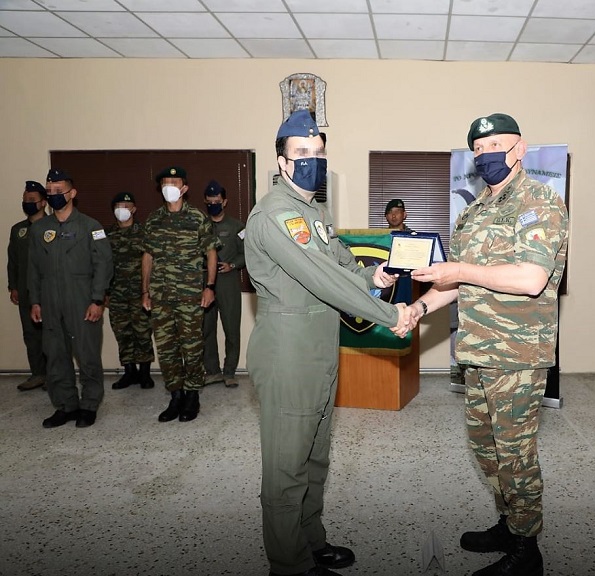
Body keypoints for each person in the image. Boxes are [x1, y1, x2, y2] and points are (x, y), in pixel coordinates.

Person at [245, 109, 411, 576]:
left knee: (314, 458)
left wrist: (373, 277)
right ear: (282, 162)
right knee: (286, 468)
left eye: (318, 152)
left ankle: (311, 542)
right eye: (301, 153)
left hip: (318, 348)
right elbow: (322, 277)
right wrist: (390, 315)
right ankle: (289, 565)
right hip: (288, 351)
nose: (311, 160)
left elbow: (341, 263)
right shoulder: (275, 214)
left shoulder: (314, 211)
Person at [408, 113, 569, 576]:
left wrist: (459, 271)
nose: (485, 154)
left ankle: (526, 551)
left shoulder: (539, 202)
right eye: (478, 149)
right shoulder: (474, 210)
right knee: (487, 449)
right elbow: (456, 282)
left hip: (517, 355)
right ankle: (508, 525)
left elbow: (531, 278)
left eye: (496, 144)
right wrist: (418, 309)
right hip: (478, 351)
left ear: (520, 149)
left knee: (516, 455)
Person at [28, 169, 114, 428]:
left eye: (59, 191)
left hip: (82, 301)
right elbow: (33, 268)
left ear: (72, 193)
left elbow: (103, 265)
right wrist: (35, 301)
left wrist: (97, 300)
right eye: (49, 191)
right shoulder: (39, 229)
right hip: (50, 302)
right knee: (55, 356)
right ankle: (66, 405)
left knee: (87, 355)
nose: (53, 195)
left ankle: (89, 405)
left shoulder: (91, 227)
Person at [142, 166, 219, 423]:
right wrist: (145, 291)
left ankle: (192, 395)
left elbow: (211, 252)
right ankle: (175, 395)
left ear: (184, 188)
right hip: (161, 296)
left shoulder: (197, 218)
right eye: (165, 183)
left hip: (190, 295)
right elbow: (148, 256)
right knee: (166, 348)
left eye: (174, 183)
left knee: (192, 346)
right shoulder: (154, 219)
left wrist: (210, 287)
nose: (169, 188)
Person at [106, 192, 155, 390]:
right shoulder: (106, 234)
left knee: (143, 332)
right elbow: (100, 264)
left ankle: (145, 373)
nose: (122, 210)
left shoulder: (144, 233)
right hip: (116, 294)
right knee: (122, 333)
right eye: (118, 206)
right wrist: (104, 292)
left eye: (126, 206)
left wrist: (148, 291)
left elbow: (152, 263)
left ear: (134, 209)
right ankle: (129, 372)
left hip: (139, 293)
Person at [202, 179, 245, 388]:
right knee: (206, 328)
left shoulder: (237, 226)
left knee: (231, 328)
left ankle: (229, 372)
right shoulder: (199, 226)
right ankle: (212, 371)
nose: (213, 204)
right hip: (204, 283)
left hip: (228, 282)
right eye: (209, 201)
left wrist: (233, 265)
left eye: (217, 201)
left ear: (225, 201)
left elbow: (248, 254)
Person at [8, 180, 48, 392]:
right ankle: (38, 374)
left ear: (43, 203)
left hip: (48, 290)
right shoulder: (18, 230)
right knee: (31, 335)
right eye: (25, 199)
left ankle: (54, 375)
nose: (27, 203)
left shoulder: (53, 227)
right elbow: (13, 260)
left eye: (32, 199)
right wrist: (13, 286)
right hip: (25, 290)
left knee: (51, 334)